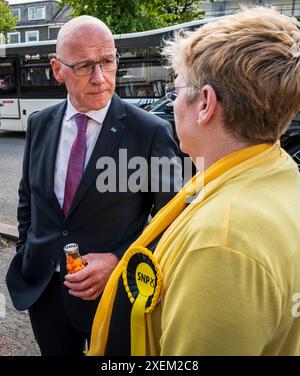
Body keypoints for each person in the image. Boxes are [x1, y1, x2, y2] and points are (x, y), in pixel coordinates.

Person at [87, 6, 300, 356]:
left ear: (205, 104)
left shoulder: (220, 245)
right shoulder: (275, 171)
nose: (172, 105)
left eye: (175, 91)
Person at [6, 15, 182, 356]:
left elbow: (173, 222)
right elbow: (29, 197)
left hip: (115, 295)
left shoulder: (149, 132)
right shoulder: (40, 124)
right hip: (44, 290)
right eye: (85, 65)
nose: (101, 78)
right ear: (58, 70)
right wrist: (27, 250)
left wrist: (120, 260)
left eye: (107, 62)